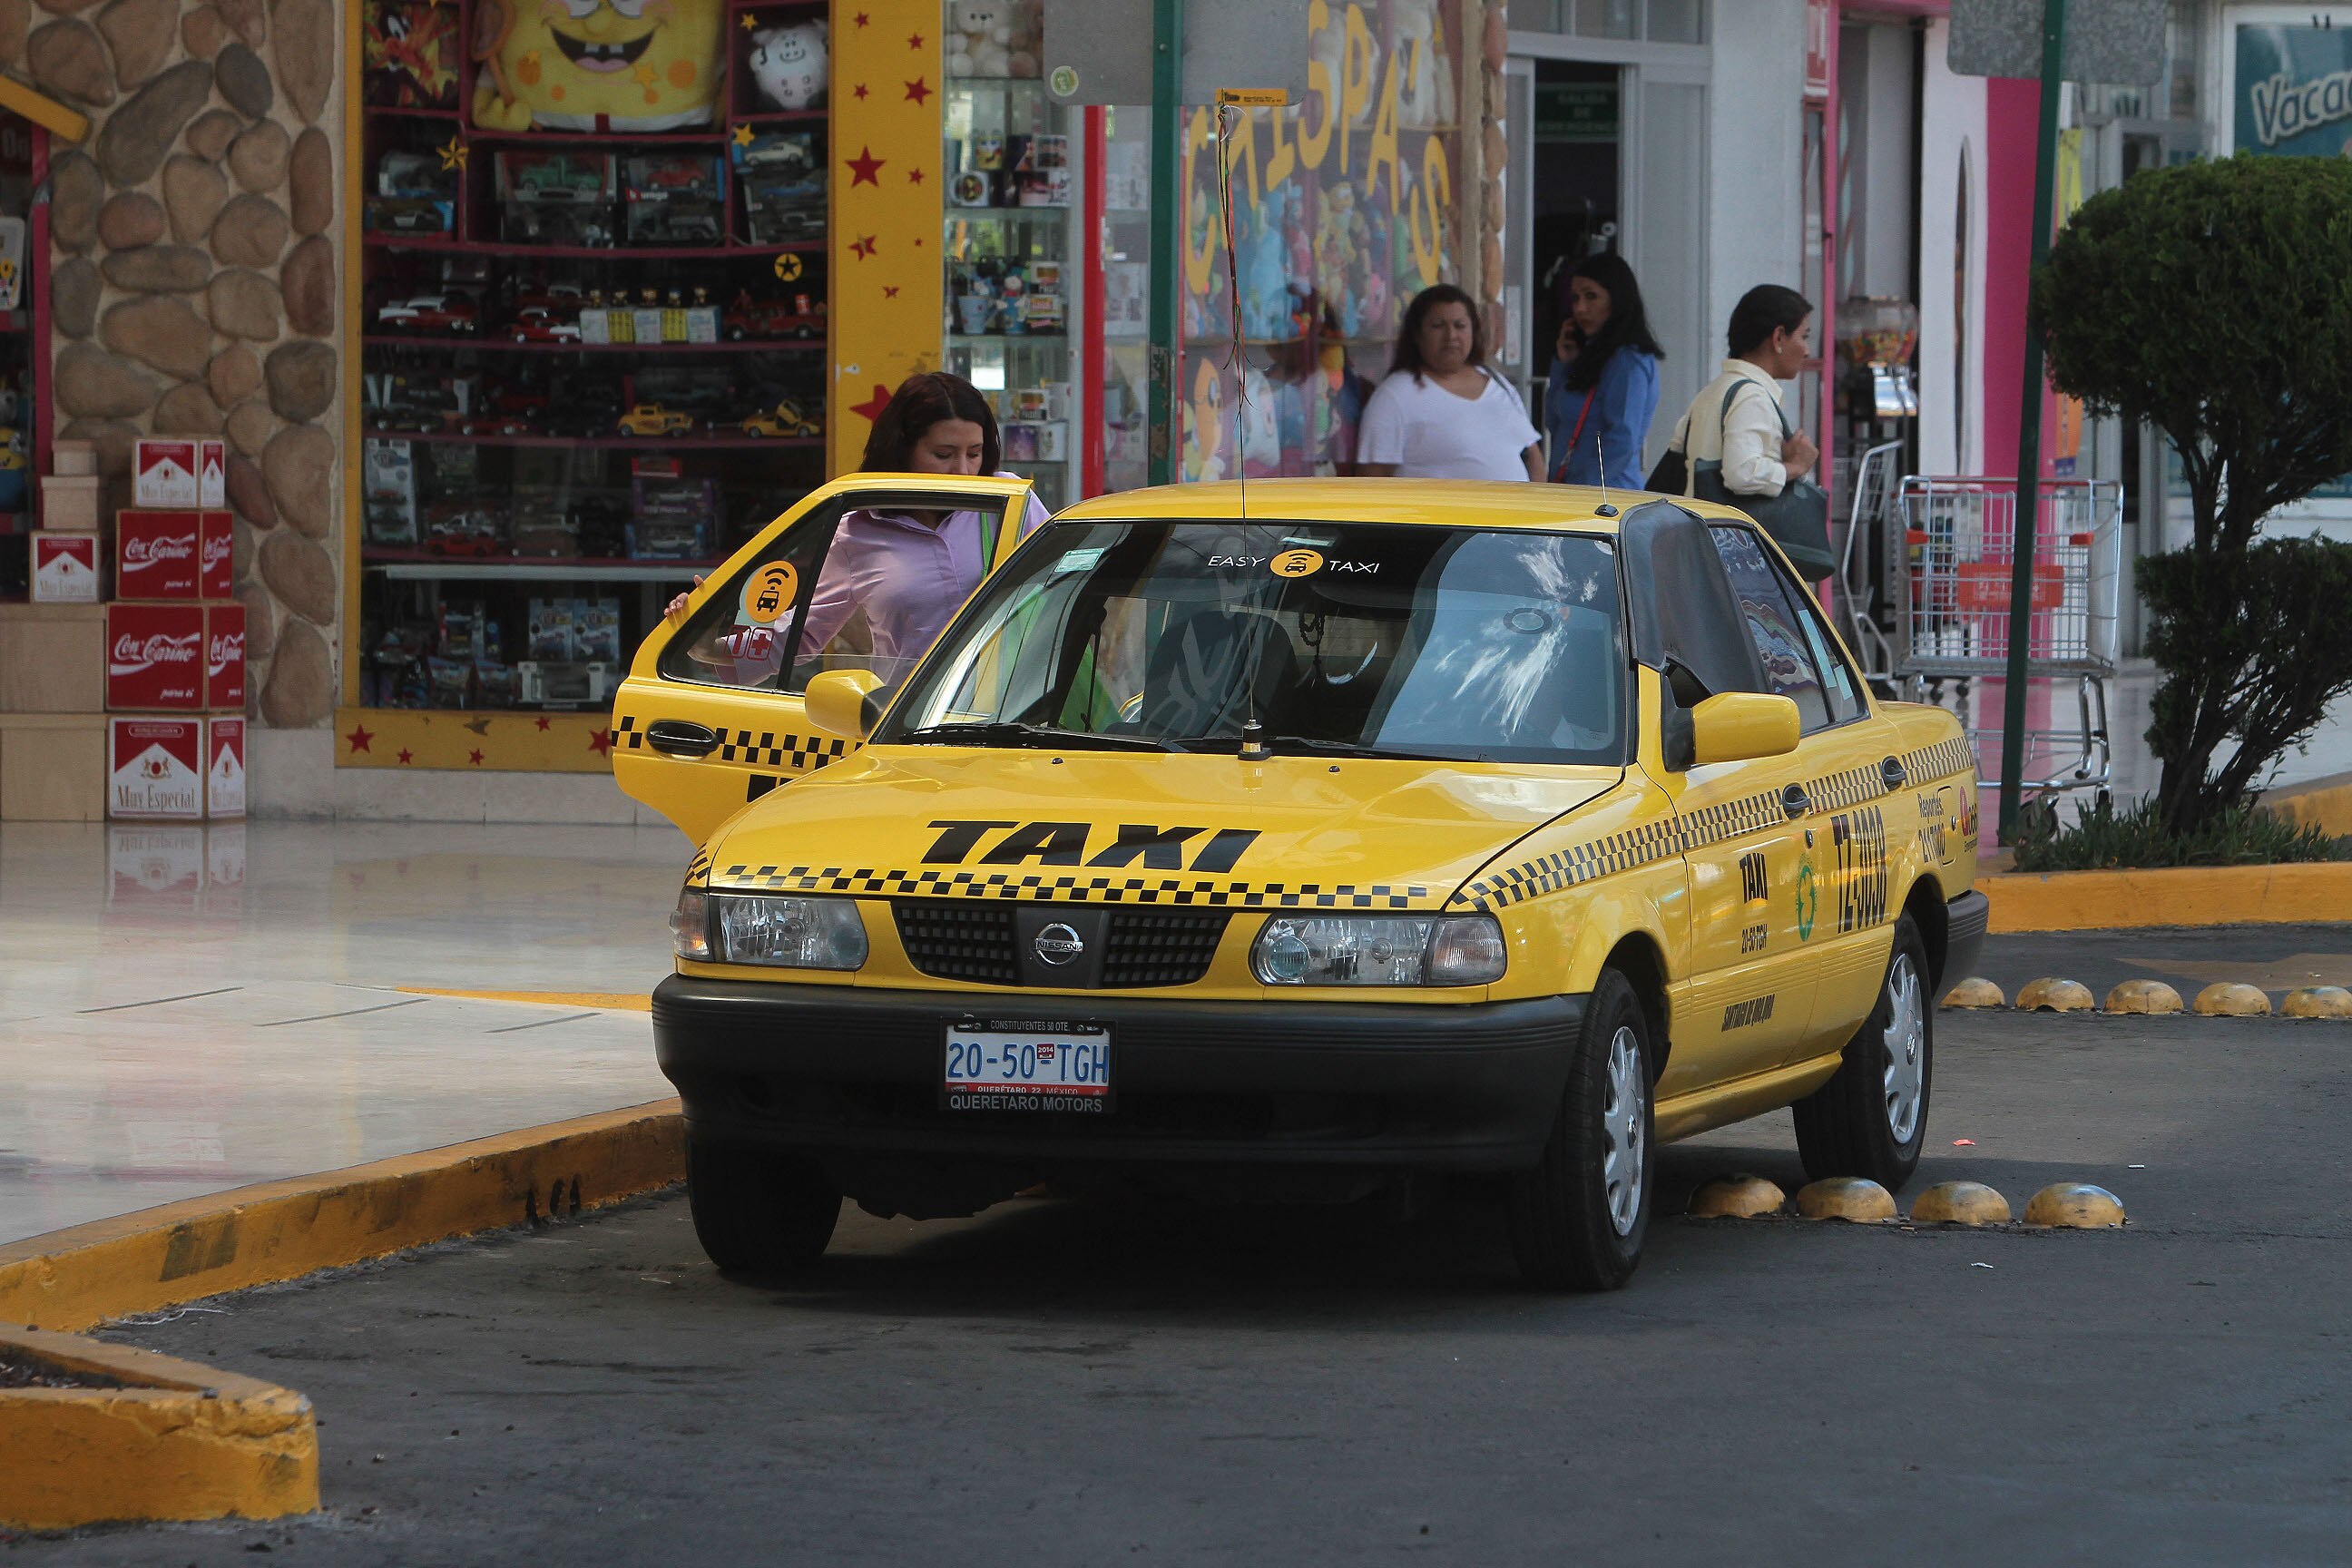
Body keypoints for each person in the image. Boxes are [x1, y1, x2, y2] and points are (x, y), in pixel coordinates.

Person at [663, 371, 1049, 685]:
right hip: (914, 733)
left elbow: (1071, 585)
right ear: (902, 451)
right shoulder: (858, 532)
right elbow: (798, 637)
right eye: (944, 455)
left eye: (975, 453)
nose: (964, 471)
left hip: (1021, 726)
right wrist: (704, 639)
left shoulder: (1009, 502)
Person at [1354, 284, 1543, 482]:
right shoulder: (1394, 396)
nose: (1451, 336)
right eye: (1438, 325)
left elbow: (1532, 455)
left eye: (1460, 325)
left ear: (1473, 331)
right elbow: (1373, 479)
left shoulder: (1497, 382)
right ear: (1417, 334)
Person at [1661, 283, 1819, 504]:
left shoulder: (1713, 391)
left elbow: (1679, 451)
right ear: (1779, 337)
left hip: (1695, 525)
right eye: (1804, 336)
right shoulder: (1752, 397)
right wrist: (1795, 467)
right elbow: (1742, 473)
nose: (1807, 350)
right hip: (1725, 534)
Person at [1544, 253, 1661, 486]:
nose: (1580, 308)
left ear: (1616, 299)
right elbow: (1553, 420)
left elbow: (1622, 440)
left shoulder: (1628, 361)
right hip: (1570, 489)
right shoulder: (1590, 355)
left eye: (1591, 296)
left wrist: (1584, 490)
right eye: (1575, 298)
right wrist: (1563, 364)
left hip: (1606, 497)